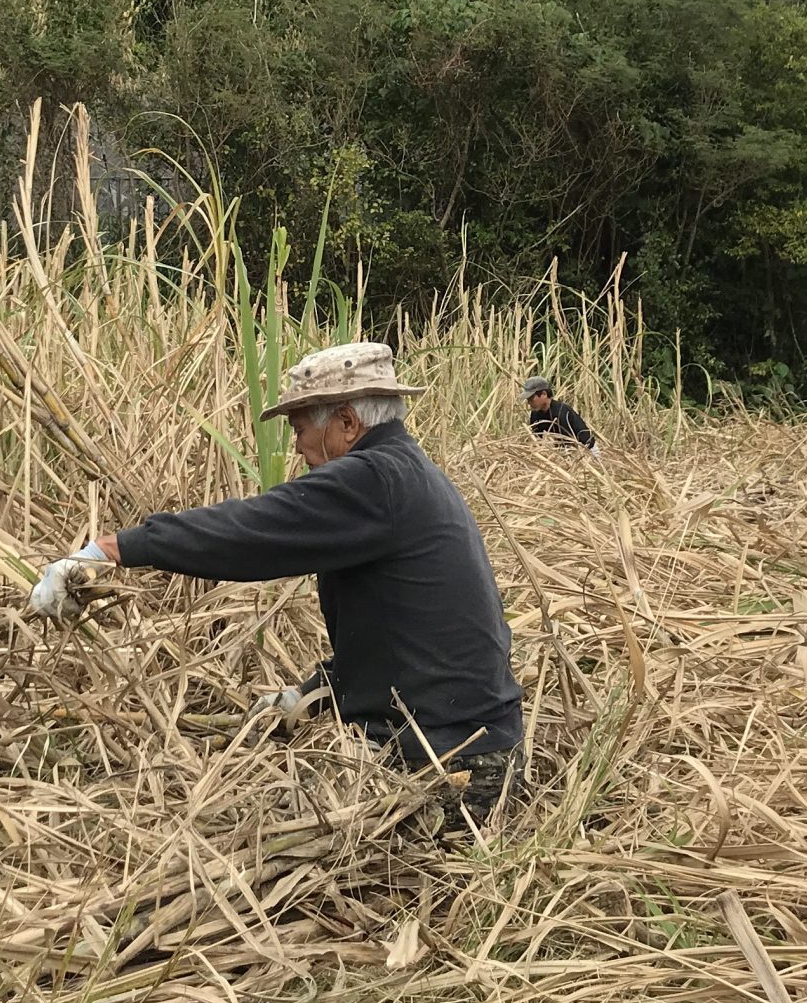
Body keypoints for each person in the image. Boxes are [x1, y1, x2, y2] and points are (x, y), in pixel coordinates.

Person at [29, 341, 525, 834]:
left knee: (239, 835)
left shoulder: (374, 479)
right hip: (477, 747)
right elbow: (403, 631)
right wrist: (313, 692)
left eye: (301, 430)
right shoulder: (410, 475)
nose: (298, 447)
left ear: (347, 423)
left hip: (453, 770)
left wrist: (112, 549)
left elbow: (250, 532)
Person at [523, 375, 598, 455]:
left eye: (531, 398)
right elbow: (536, 440)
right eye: (528, 399)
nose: (529, 402)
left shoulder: (561, 412)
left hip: (586, 450)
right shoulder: (536, 414)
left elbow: (569, 444)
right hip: (562, 450)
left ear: (544, 394)